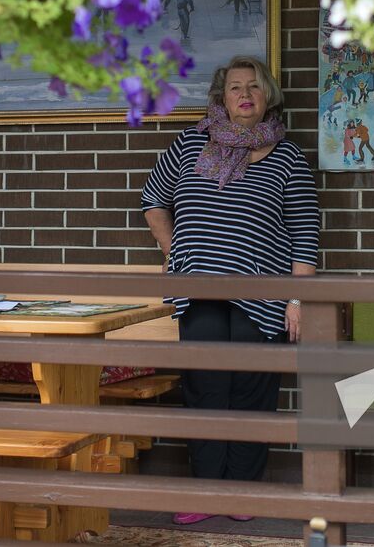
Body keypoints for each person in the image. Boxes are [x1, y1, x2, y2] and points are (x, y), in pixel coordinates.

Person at [140, 55, 319, 524]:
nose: (245, 95)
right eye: (236, 87)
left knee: (251, 391)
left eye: (255, 88)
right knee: (204, 388)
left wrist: (298, 300)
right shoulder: (190, 143)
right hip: (198, 284)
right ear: (221, 96)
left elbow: (305, 233)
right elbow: (153, 200)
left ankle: (241, 493)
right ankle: (205, 491)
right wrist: (169, 248)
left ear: (268, 99)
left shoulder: (287, 156)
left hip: (263, 292)